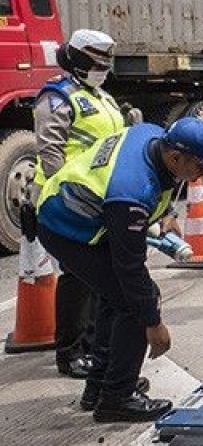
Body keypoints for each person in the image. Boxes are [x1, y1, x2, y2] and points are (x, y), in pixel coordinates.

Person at [36, 117, 203, 422]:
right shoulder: (131, 191)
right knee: (136, 301)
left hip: (85, 213)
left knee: (115, 299)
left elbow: (161, 181)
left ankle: (101, 386)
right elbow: (130, 268)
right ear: (176, 157)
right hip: (67, 229)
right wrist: (154, 325)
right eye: (201, 166)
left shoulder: (153, 136)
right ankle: (117, 398)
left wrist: (165, 211)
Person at [30, 29, 141, 379]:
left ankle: (94, 346)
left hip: (98, 198)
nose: (102, 69)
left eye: (105, 63)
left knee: (99, 278)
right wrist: (72, 196)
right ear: (77, 61)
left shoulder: (102, 97)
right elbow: (50, 152)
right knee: (76, 278)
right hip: (67, 199)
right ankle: (70, 351)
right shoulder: (57, 97)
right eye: (96, 63)